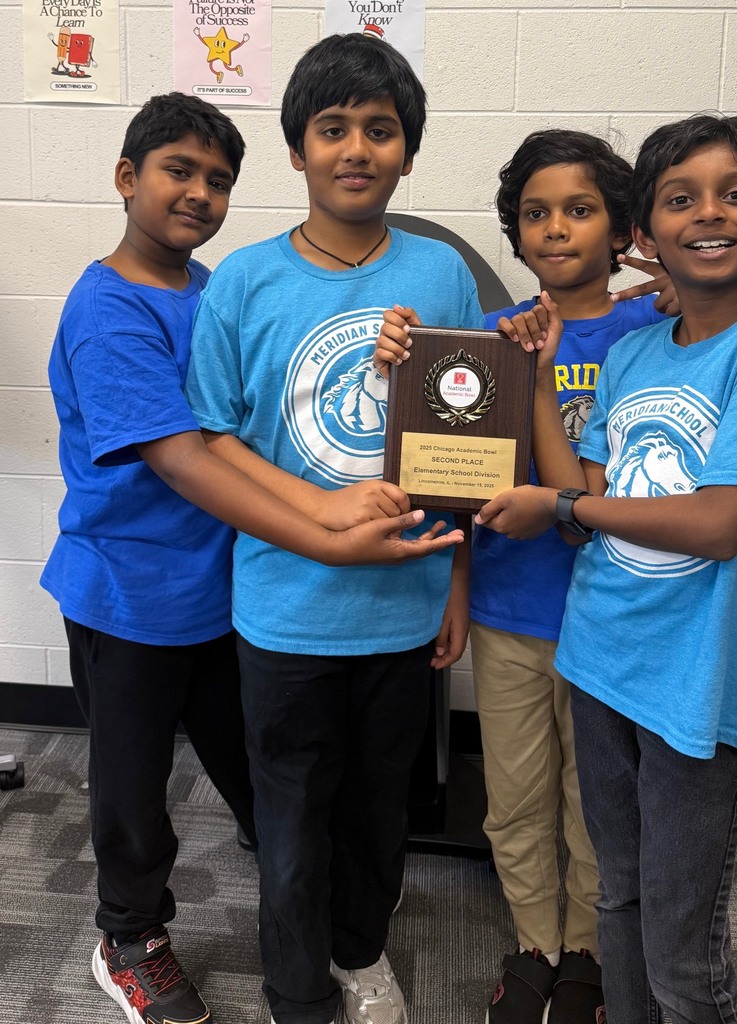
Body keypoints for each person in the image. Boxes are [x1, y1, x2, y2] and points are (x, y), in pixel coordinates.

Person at [41, 92, 463, 1024]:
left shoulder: (214, 287)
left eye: (216, 181)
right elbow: (190, 454)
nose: (197, 194)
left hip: (234, 590)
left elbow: (305, 410)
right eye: (176, 172)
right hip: (135, 595)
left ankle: (324, 916)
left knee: (266, 787)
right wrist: (327, 533)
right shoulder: (111, 311)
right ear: (126, 178)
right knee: (133, 796)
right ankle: (129, 937)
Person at [475, 114, 737, 1024]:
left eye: (735, 196)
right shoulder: (633, 352)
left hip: (692, 679)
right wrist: (545, 388)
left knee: (683, 947)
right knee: (620, 898)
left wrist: (562, 507)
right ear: (650, 230)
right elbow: (581, 497)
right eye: (679, 200)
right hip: (599, 659)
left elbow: (716, 525)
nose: (707, 214)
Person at [183, 34, 484, 1024]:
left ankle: (360, 952)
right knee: (290, 816)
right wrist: (312, 515)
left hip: (401, 608)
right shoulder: (243, 283)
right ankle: (295, 988)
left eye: (380, 130)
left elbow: (462, 449)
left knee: (376, 809)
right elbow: (214, 437)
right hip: (284, 609)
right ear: (298, 148)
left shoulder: (442, 275)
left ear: (407, 150)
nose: (356, 148)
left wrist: (455, 577)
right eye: (333, 128)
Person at [468, 130, 673, 1024]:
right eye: (535, 213)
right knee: (514, 796)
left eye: (580, 210)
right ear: (514, 234)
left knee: (597, 803)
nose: (555, 229)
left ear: (621, 225)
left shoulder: (658, 324)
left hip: (612, 618)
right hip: (508, 606)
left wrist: (674, 275)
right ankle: (533, 943)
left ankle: (587, 948)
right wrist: (399, 349)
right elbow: (446, 478)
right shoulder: (490, 336)